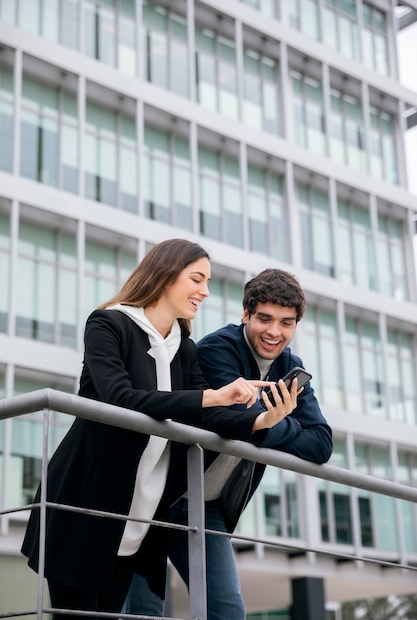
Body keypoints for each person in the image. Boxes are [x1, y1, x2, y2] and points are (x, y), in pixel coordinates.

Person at [21, 240, 294, 620]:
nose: (205, 291)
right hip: (83, 507)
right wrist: (212, 397)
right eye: (197, 279)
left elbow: (207, 417)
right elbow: (121, 398)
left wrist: (261, 421)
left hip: (138, 518)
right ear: (165, 276)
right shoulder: (108, 324)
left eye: (208, 281)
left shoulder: (184, 348)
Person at [123, 267, 333, 620]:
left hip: (209, 506)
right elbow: (236, 421)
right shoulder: (218, 349)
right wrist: (276, 421)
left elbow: (321, 445)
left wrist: (267, 423)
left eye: (286, 322)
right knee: (144, 609)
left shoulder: (291, 366)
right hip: (161, 493)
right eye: (264, 319)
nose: (274, 332)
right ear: (245, 314)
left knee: (227, 609)